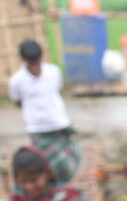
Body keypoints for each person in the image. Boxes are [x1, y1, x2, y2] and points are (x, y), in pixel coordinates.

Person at [8, 40, 81, 186]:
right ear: (24, 61)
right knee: (42, 167)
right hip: (38, 128)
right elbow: (18, 101)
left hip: (59, 123)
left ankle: (63, 190)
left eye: (37, 61)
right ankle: (49, 192)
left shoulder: (53, 72)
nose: (35, 66)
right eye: (32, 63)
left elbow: (57, 91)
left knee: (67, 163)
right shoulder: (17, 81)